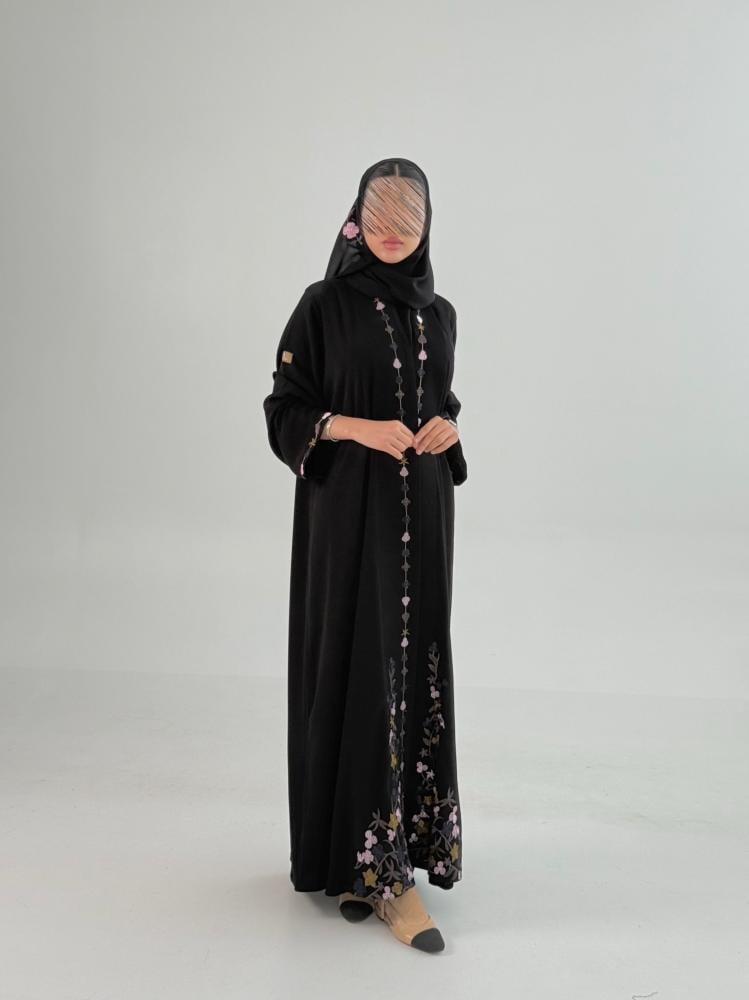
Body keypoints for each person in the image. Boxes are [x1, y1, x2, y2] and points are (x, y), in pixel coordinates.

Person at [262, 156, 468, 952]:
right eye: (378, 216)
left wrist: (447, 427)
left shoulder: (440, 313)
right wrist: (354, 428)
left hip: (423, 515)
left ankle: (382, 863)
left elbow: (438, 397)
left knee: (411, 668)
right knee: (353, 663)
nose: (390, 231)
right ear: (355, 218)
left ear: (426, 227)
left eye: (406, 219)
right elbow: (285, 407)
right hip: (347, 515)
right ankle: (370, 871)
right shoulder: (322, 306)